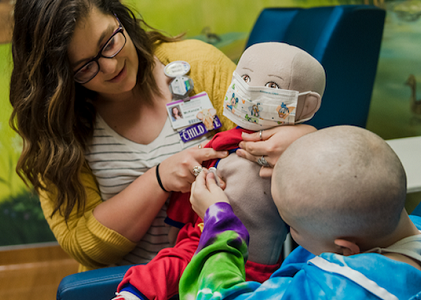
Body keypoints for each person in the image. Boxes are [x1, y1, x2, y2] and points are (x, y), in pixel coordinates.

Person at [8, 0, 315, 273]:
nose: (112, 65)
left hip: (227, 276)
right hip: (127, 285)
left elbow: (278, 134)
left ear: (119, 18)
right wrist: (159, 179)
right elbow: (84, 242)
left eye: (109, 42)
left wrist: (302, 140)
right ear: (60, 77)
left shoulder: (200, 66)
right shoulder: (53, 128)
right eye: (87, 66)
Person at [114, 43, 324, 300]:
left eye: (271, 86)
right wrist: (178, 222)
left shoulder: (300, 161)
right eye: (244, 78)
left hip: (255, 262)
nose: (248, 89)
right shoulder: (221, 143)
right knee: (166, 265)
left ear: (307, 104)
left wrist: (308, 142)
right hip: (198, 237)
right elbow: (197, 177)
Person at [181, 125, 421, 300]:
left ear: (345, 249)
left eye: (292, 228)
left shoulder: (332, 289)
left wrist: (218, 221)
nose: (292, 234)